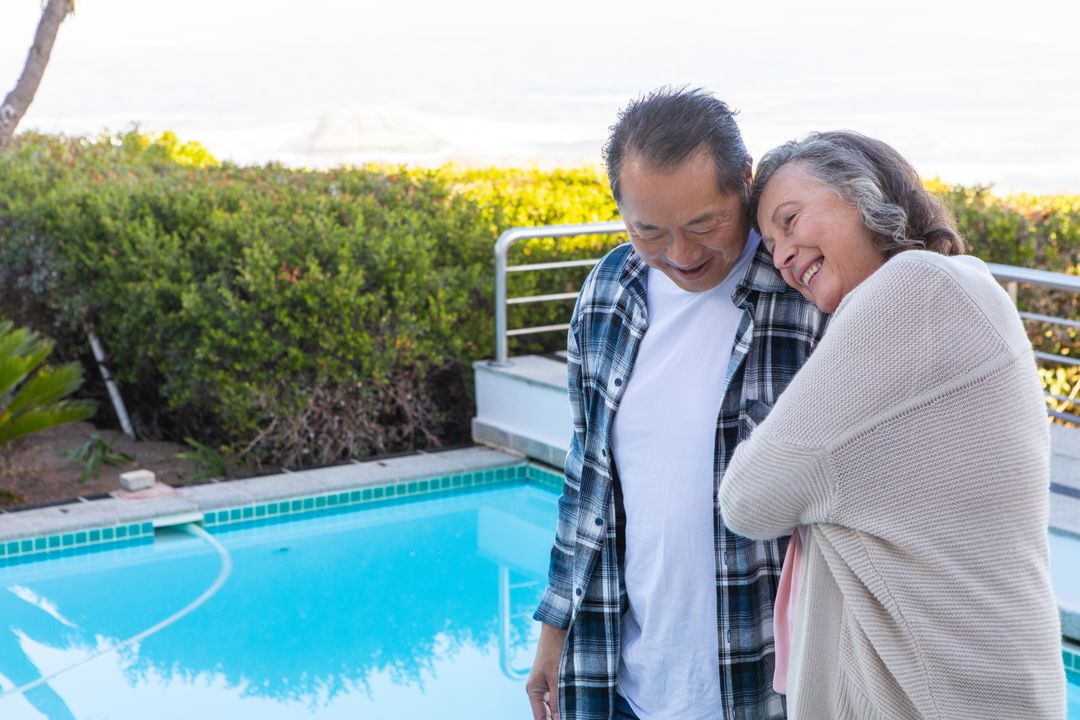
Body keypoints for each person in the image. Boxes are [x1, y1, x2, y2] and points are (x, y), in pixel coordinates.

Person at [719, 130, 1066, 719]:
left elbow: (749, 499)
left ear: (864, 193)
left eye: (790, 218)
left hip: (939, 696)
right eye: (771, 243)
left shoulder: (914, 289)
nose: (780, 256)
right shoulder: (959, 287)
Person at [526, 87, 827, 720]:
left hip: (768, 689)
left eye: (703, 225)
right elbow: (588, 478)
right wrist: (554, 628)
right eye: (650, 231)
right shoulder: (609, 289)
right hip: (626, 683)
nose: (683, 256)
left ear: (743, 184)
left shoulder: (807, 297)